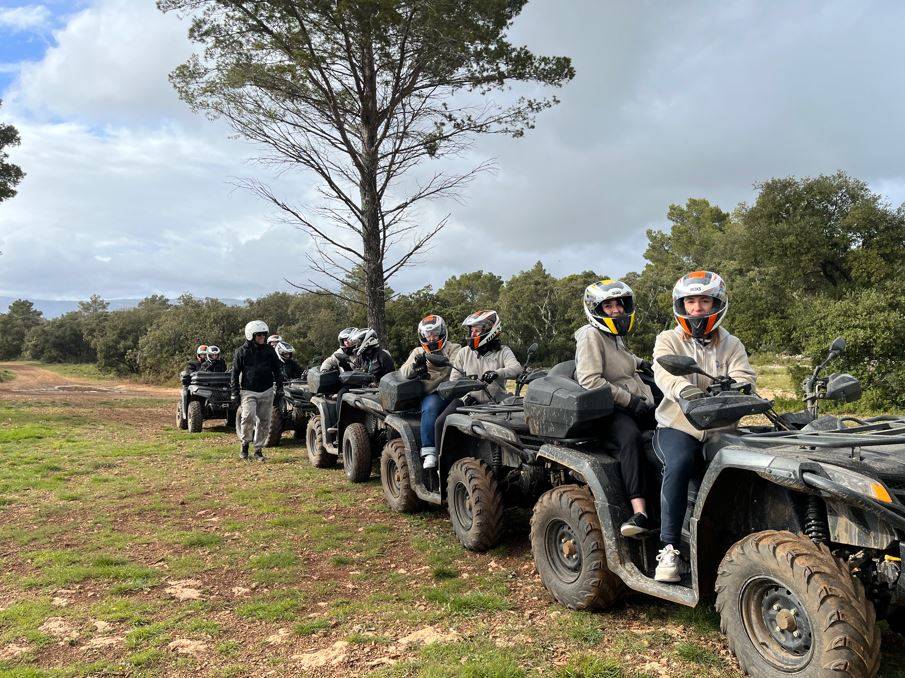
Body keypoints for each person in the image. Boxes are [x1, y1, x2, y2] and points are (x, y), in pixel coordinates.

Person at [652, 271, 756, 583]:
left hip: (722, 428)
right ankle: (669, 549)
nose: (697, 307)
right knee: (680, 462)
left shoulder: (731, 343)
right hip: (679, 425)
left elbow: (746, 377)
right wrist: (685, 390)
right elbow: (663, 372)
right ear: (682, 305)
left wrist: (734, 385)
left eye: (704, 300)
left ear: (716, 303)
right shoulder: (668, 339)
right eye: (691, 301)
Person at [575, 278, 655, 538]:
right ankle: (639, 511)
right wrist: (628, 400)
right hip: (608, 409)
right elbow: (590, 380)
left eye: (619, 304)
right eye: (608, 306)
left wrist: (645, 363)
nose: (616, 310)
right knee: (631, 438)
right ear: (597, 310)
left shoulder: (614, 336)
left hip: (634, 402)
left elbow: (622, 359)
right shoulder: (590, 335)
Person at [431, 310, 522, 469]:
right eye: (471, 329)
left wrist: (497, 373)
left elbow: (516, 368)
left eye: (477, 329)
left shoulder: (503, 351)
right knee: (440, 422)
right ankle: (442, 468)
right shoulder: (464, 353)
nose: (472, 333)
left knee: (516, 428)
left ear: (490, 329)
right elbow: (454, 380)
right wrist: (466, 386)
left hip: (496, 401)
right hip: (468, 400)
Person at [398, 315, 461, 469]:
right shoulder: (418, 351)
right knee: (430, 409)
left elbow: (459, 364)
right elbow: (403, 371)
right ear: (423, 335)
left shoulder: (454, 348)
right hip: (433, 392)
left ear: (442, 332)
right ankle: (429, 452)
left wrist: (437, 360)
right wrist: (416, 366)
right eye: (428, 334)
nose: (432, 338)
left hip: (455, 390)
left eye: (435, 333)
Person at [231, 320, 284, 461]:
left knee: (265, 421)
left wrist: (280, 388)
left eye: (264, 335)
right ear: (251, 335)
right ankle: (244, 446)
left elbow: (277, 370)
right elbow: (234, 374)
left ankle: (258, 450)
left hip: (267, 390)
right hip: (248, 391)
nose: (263, 337)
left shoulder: (269, 351)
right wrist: (234, 393)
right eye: (259, 335)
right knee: (247, 417)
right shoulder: (241, 352)